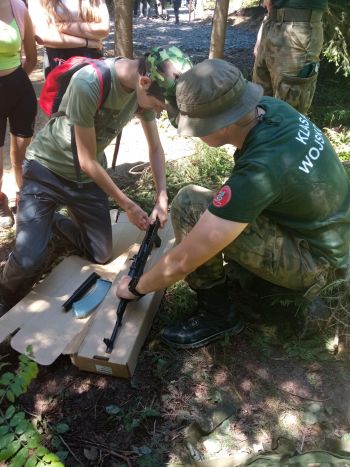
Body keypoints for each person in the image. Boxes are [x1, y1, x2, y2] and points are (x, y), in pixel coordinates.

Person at [116, 59, 350, 349]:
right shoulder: (271, 110)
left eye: (197, 126)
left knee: (190, 205)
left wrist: (135, 288)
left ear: (223, 125)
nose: (195, 134)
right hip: (332, 240)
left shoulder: (260, 171)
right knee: (212, 211)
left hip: (318, 264)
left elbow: (182, 261)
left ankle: (217, 314)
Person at [0, 46, 193, 316]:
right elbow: (87, 160)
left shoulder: (143, 90)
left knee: (100, 253)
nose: (159, 112)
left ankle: (52, 221)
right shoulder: (90, 82)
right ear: (145, 82)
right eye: (160, 106)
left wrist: (162, 194)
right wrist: (127, 204)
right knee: (29, 259)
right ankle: (4, 295)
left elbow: (155, 148)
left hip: (86, 180)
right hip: (46, 171)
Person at [252, 0, 328, 115]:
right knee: (258, 103)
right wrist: (263, 28)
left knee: (287, 112)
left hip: (300, 26)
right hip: (270, 22)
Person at [0, 0, 37, 229]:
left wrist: (15, 83)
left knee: (21, 154)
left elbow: (31, 56)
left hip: (18, 89)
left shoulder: (18, 7)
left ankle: (22, 197)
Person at [28, 0, 109, 77]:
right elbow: (42, 36)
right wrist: (87, 42)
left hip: (92, 59)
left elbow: (103, 29)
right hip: (58, 61)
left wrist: (58, 26)